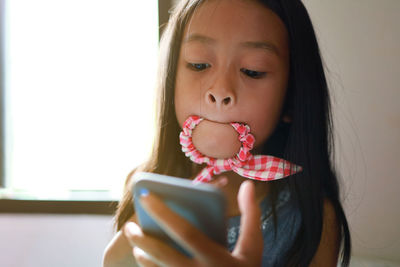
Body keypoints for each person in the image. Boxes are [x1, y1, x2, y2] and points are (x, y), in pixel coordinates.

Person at [103, 0, 352, 266]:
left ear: (291, 98)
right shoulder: (146, 187)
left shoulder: (314, 216)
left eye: (252, 71)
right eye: (198, 64)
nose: (220, 91)